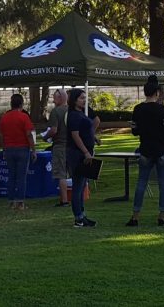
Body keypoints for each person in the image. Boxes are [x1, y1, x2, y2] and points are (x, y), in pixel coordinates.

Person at [127, 75, 164, 227]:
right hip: (162, 150)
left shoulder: (138, 109)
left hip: (145, 149)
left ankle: (135, 216)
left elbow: (134, 131)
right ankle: (162, 215)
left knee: (141, 182)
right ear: (157, 93)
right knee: (163, 183)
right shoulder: (162, 110)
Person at [0, 94, 37, 210]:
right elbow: (29, 134)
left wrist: (4, 148)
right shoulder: (24, 117)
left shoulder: (4, 117)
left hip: (9, 149)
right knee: (21, 177)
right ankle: (20, 203)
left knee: (11, 176)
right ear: (21, 104)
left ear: (11, 104)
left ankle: (11, 201)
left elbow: (1, 135)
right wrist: (33, 149)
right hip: (22, 149)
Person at [66, 89, 97, 227]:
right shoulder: (73, 115)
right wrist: (85, 152)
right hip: (77, 154)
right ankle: (78, 218)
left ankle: (82, 215)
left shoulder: (81, 114)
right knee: (78, 185)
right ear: (74, 100)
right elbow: (75, 135)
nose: (84, 100)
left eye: (85, 98)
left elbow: (86, 130)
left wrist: (94, 138)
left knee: (83, 184)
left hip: (85, 151)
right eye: (81, 98)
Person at [45, 89, 70, 207]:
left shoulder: (56, 112)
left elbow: (53, 130)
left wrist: (45, 137)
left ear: (59, 98)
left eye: (54, 98)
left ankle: (64, 200)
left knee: (61, 174)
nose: (53, 101)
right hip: (72, 146)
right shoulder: (73, 110)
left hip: (60, 145)